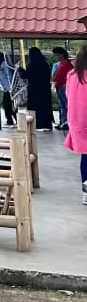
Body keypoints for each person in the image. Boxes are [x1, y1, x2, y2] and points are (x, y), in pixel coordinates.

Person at [63, 44, 87, 205]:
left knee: (86, 155)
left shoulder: (72, 75)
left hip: (77, 121)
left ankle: (86, 191)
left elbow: (67, 95)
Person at [25, 46, 54, 132]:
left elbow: (27, 75)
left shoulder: (32, 65)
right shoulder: (44, 64)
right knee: (45, 107)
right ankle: (47, 124)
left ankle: (38, 124)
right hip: (44, 90)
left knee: (35, 108)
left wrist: (20, 70)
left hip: (34, 90)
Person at [51, 47, 73, 131]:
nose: (56, 57)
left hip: (64, 87)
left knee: (65, 105)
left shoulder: (68, 64)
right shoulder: (60, 64)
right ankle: (62, 121)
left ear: (62, 55)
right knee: (61, 105)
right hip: (59, 86)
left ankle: (66, 122)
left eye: (57, 55)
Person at [0, 51, 17, 128]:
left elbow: (9, 77)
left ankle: (11, 120)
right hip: (6, 88)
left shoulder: (4, 65)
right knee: (8, 105)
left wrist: (9, 88)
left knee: (8, 105)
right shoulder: (1, 65)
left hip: (9, 89)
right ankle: (11, 120)